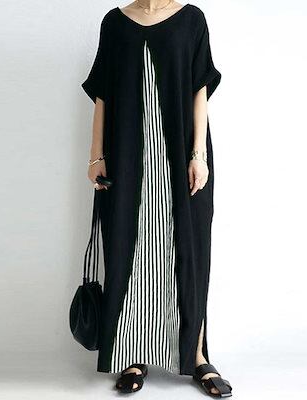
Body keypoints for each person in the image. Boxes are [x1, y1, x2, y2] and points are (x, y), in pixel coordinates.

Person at [81, 0, 232, 397]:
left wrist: (198, 154)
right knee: (129, 251)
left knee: (190, 252)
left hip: (181, 159)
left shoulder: (191, 19)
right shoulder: (115, 23)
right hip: (126, 159)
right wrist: (96, 155)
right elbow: (102, 94)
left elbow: (200, 88)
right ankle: (133, 354)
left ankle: (196, 356)